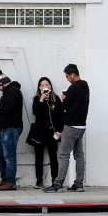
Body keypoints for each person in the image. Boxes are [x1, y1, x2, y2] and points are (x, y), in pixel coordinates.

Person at [43, 63, 89, 193]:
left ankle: (57, 184)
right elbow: (78, 104)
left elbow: (64, 108)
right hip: (81, 125)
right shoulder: (85, 86)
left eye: (67, 76)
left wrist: (64, 99)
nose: (67, 78)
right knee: (79, 155)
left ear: (73, 75)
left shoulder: (73, 88)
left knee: (64, 155)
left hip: (71, 126)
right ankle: (79, 184)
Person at [0, 69, 23, 191]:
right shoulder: (9, 92)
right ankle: (6, 179)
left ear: (2, 84)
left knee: (9, 156)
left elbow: (7, 108)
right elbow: (5, 108)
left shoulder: (13, 91)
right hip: (5, 130)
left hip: (10, 129)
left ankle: (10, 182)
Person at [28, 77, 64, 189]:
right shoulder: (37, 99)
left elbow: (61, 116)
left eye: (47, 84)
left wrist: (59, 130)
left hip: (52, 132)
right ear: (39, 87)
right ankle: (39, 181)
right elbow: (36, 113)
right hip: (39, 133)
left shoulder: (55, 98)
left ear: (50, 86)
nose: (45, 87)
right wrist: (42, 99)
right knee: (38, 158)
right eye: (42, 85)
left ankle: (55, 181)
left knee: (53, 157)